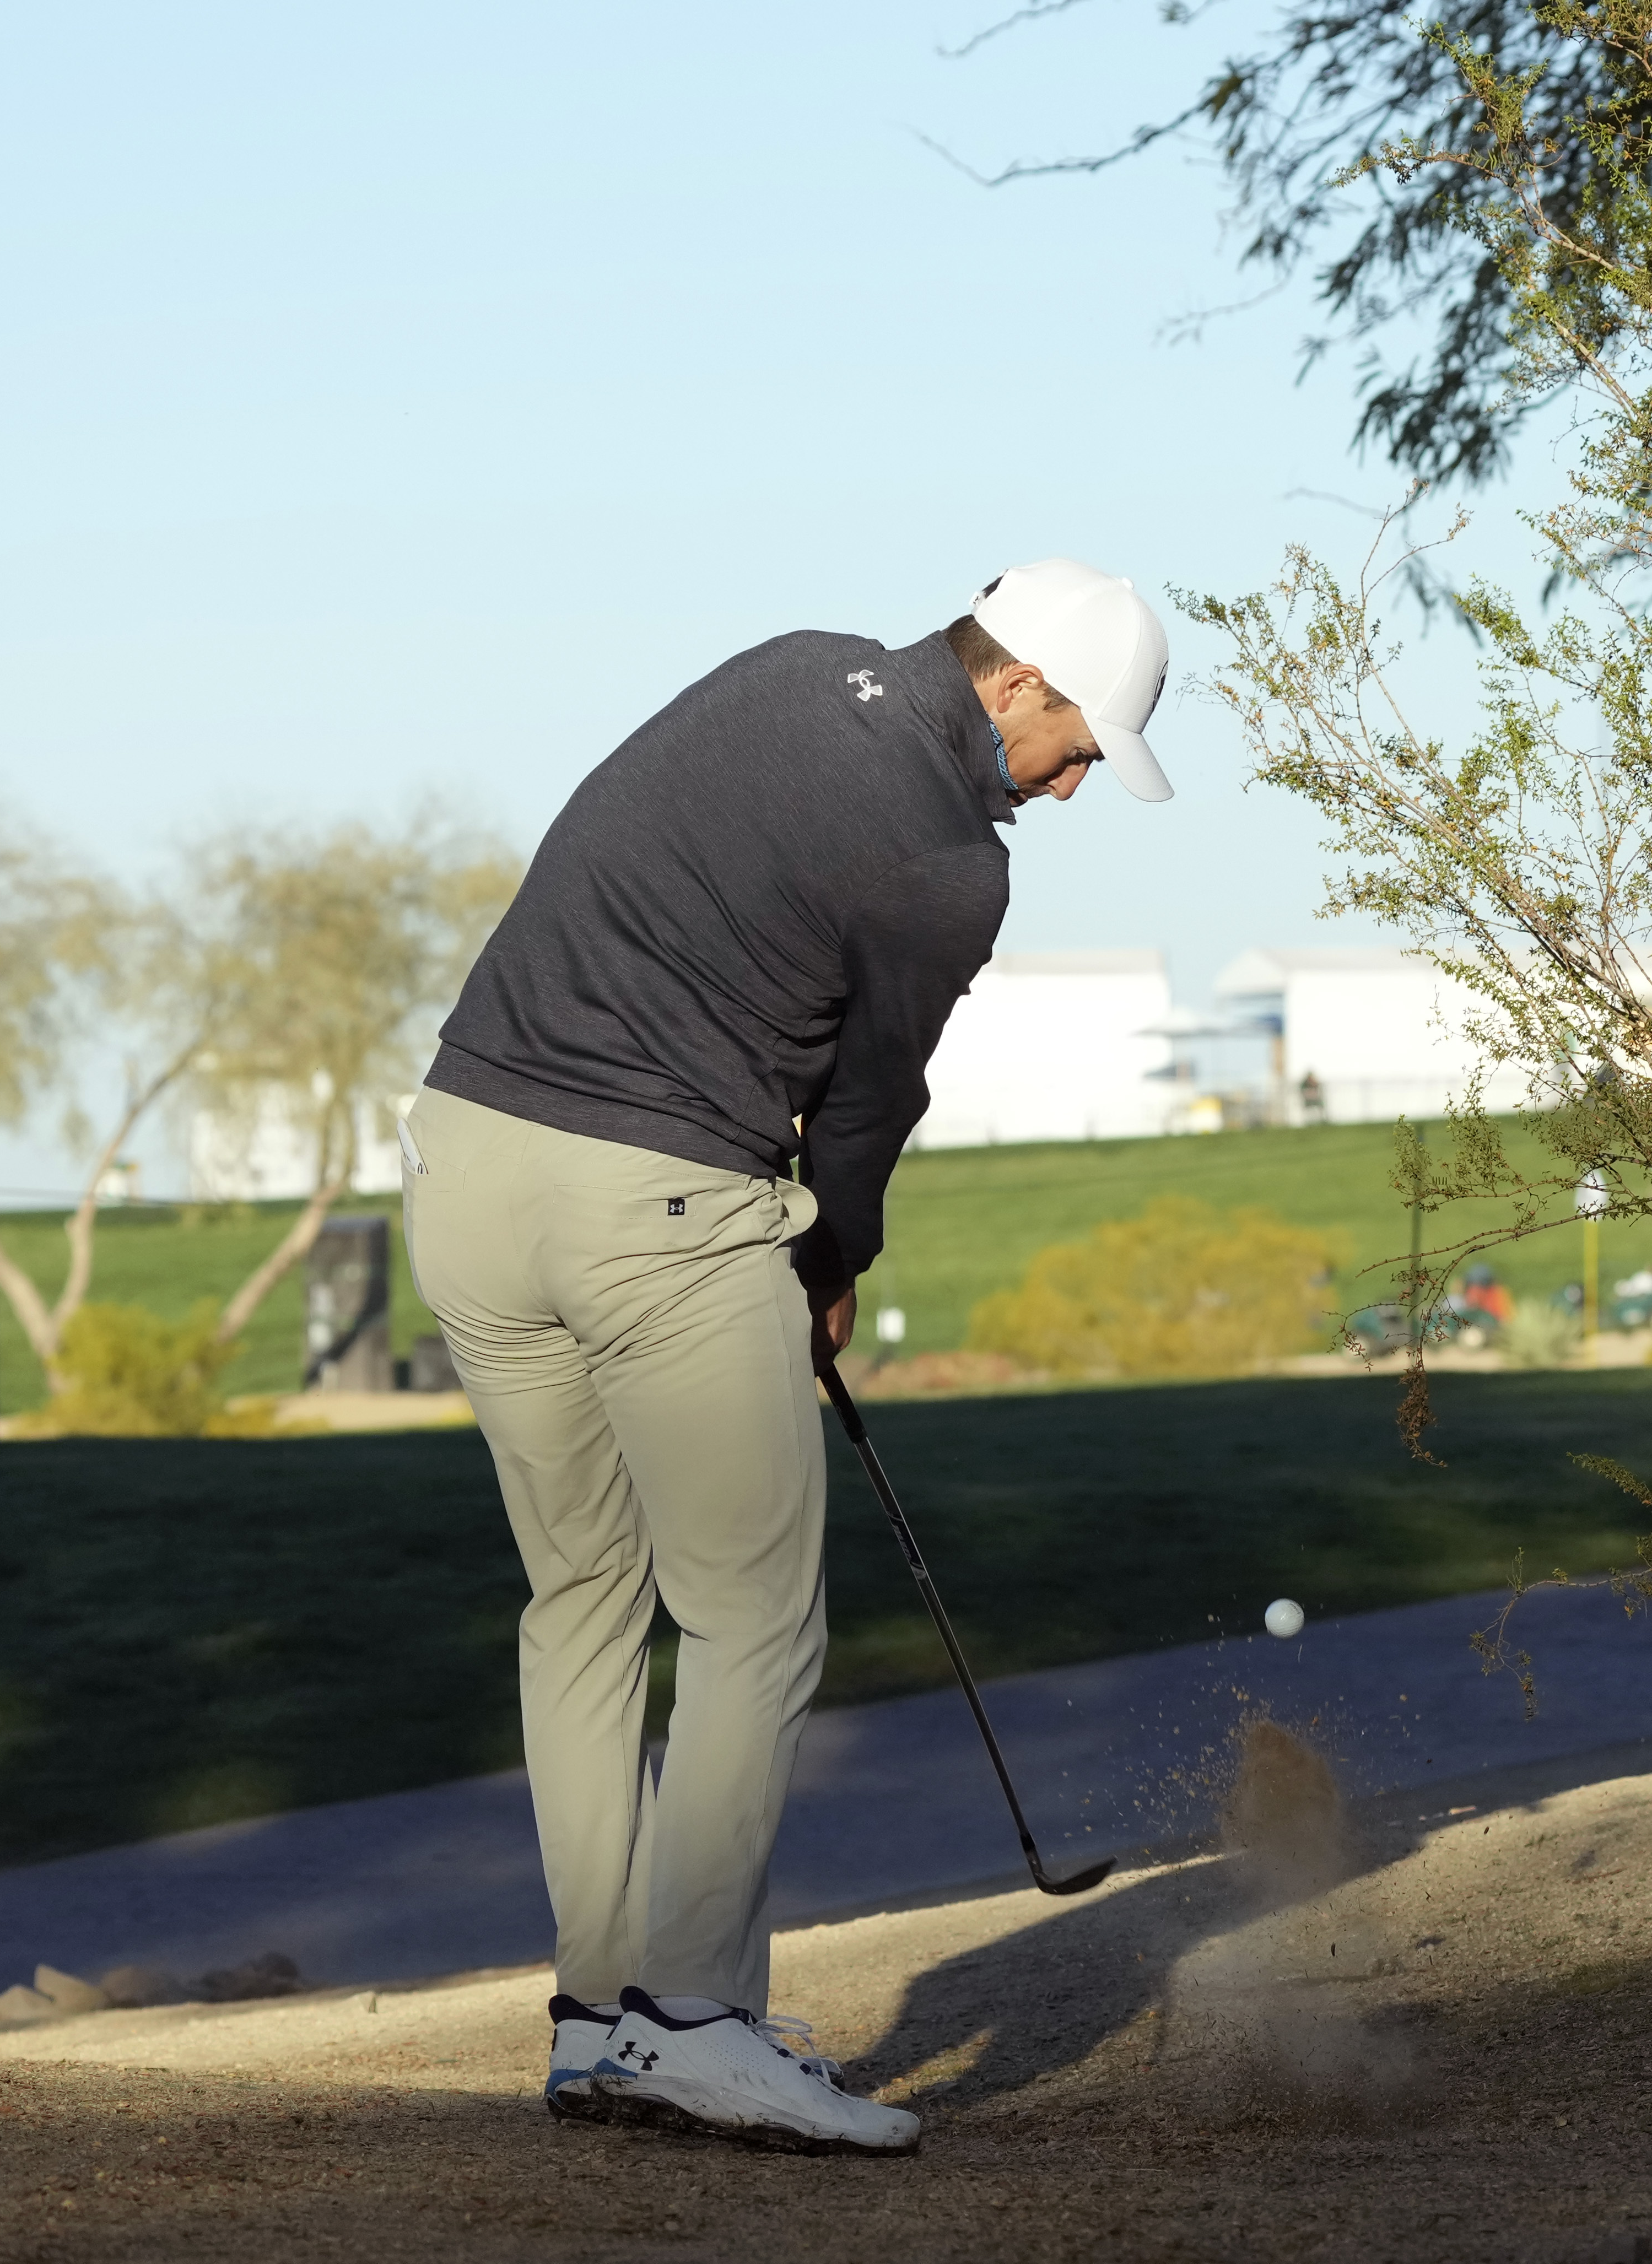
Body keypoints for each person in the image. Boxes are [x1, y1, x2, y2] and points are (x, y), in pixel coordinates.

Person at [399, 560, 1171, 2155]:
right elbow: (872, 1103)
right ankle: (691, 2020)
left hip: (465, 1166)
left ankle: (600, 2021)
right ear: (1016, 682)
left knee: (583, 1601)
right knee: (750, 1620)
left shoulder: (785, 665)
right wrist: (829, 1262)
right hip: (657, 1206)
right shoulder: (948, 864)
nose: (1077, 784)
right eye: (1081, 745)